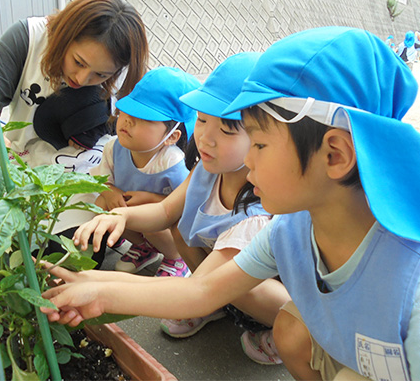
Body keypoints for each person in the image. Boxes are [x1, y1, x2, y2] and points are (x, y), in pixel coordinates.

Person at [40, 27, 420, 380]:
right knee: (293, 331)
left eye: (257, 144)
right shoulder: (291, 231)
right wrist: (96, 288)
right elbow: (199, 292)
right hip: (358, 359)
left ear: (335, 154)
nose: (247, 163)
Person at [64, 52, 290, 364]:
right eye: (204, 120)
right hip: (214, 277)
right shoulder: (209, 169)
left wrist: (100, 291)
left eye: (226, 130)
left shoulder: (257, 212)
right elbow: (166, 211)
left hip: (259, 295)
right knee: (181, 225)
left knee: (238, 292)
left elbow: (199, 290)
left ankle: (281, 330)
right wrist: (121, 215)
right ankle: (220, 306)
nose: (206, 138)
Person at [0, 0, 149, 172]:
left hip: (89, 177)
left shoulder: (126, 71)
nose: (82, 79)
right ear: (65, 36)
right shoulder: (28, 38)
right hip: (23, 169)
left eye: (101, 75)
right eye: (78, 62)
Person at [51, 66, 200, 273]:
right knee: (102, 203)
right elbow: (99, 180)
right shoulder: (114, 147)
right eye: (127, 110)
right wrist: (110, 192)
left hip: (165, 227)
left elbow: (187, 208)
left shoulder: (173, 163)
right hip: (131, 213)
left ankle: (176, 259)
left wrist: (152, 201)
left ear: (172, 137)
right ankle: (143, 247)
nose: (128, 120)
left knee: (149, 220)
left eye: (145, 117)